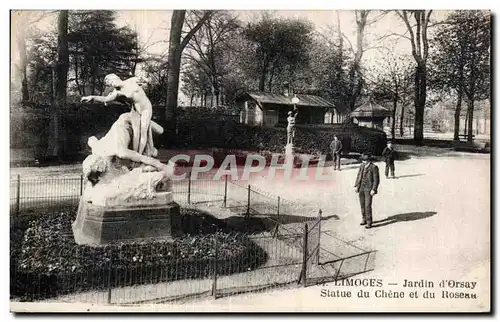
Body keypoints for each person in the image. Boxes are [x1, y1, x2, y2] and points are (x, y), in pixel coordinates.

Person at [80, 74, 156, 158]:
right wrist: (92, 97)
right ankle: (136, 156)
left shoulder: (131, 80)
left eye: (111, 81)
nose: (112, 84)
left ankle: (141, 155)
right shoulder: (118, 92)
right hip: (136, 110)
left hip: (146, 108)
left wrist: (146, 79)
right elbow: (105, 99)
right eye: (110, 84)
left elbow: (145, 80)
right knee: (136, 133)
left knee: (143, 131)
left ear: (115, 77)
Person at [354, 153, 380, 229]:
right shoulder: (362, 166)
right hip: (361, 187)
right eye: (362, 160)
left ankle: (369, 222)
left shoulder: (374, 167)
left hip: (369, 188)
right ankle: (364, 219)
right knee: (362, 204)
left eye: (364, 160)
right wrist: (356, 186)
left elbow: (376, 180)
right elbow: (359, 176)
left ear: (368, 160)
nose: (363, 161)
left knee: (367, 205)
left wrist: (373, 189)